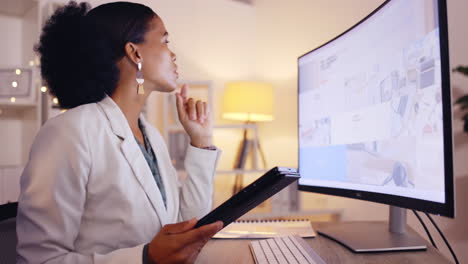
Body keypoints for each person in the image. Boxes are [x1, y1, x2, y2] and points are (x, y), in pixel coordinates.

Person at [16, 1, 223, 263]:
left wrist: (200, 140)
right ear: (134, 53)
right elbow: (40, 259)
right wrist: (145, 257)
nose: (173, 54)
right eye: (165, 40)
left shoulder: (152, 137)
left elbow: (186, 226)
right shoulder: (70, 132)